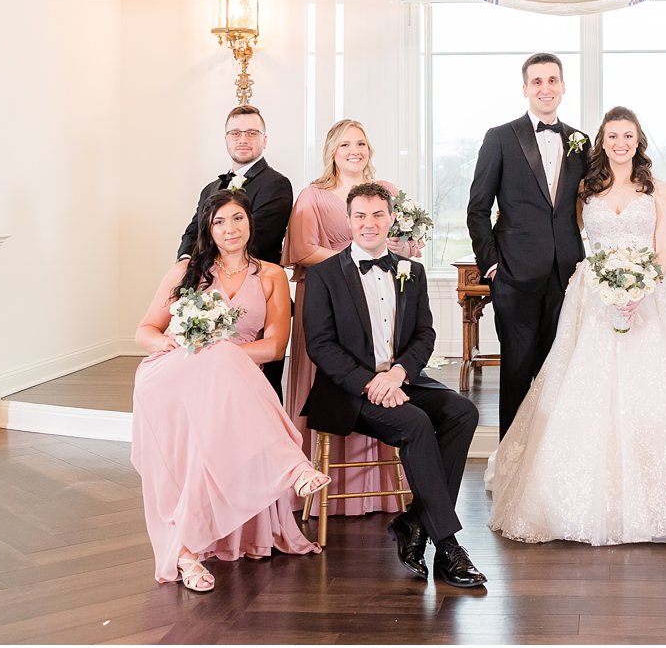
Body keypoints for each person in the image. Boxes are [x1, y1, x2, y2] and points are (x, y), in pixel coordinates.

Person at [488, 107, 666, 544]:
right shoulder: (585, 190)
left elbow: (664, 250)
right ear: (602, 142)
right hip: (593, 298)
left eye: (628, 135)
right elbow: (567, 237)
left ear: (638, 140)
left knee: (656, 388)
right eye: (613, 136)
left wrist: (639, 290)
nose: (621, 143)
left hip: (650, 296)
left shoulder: (659, 190)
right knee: (580, 389)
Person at [132, 189, 327, 592]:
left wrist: (223, 353)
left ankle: (185, 551)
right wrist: (172, 343)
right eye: (219, 221)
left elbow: (275, 346)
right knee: (216, 357)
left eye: (237, 218)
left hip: (234, 376)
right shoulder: (185, 272)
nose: (229, 228)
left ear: (250, 222)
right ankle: (294, 466)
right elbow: (145, 331)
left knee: (221, 373)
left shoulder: (271, 275)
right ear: (208, 228)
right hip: (176, 375)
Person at [303, 182, 487, 588]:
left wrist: (399, 374)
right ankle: (449, 545)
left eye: (378, 215)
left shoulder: (412, 271)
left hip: (402, 378)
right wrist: (372, 384)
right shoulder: (323, 276)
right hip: (350, 390)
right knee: (417, 423)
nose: (369, 224)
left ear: (391, 219)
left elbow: (425, 335)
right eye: (360, 216)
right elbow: (320, 346)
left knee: (463, 411)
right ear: (348, 221)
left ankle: (414, 522)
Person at [280, 119, 422, 519]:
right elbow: (302, 250)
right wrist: (355, 257)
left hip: (379, 300)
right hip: (327, 297)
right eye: (345, 144)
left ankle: (378, 490)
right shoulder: (314, 196)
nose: (354, 150)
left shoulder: (389, 192)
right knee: (333, 375)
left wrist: (402, 245)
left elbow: (406, 247)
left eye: (360, 142)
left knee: (379, 372)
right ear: (332, 151)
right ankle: (317, 481)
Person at [466, 53, 587, 437]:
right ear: (525, 89)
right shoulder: (500, 138)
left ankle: (551, 463)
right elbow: (478, 208)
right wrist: (491, 265)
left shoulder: (580, 143)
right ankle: (512, 464)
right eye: (537, 82)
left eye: (552, 80)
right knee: (517, 372)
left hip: (567, 274)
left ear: (563, 86)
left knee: (561, 371)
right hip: (514, 276)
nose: (545, 88)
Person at [177, 104, 294, 397]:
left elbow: (257, 238)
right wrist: (187, 265)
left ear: (264, 140)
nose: (243, 139)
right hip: (209, 291)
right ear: (226, 139)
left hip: (259, 293)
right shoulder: (210, 188)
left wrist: (208, 258)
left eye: (252, 133)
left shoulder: (277, 185)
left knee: (262, 386)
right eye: (236, 133)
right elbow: (193, 231)